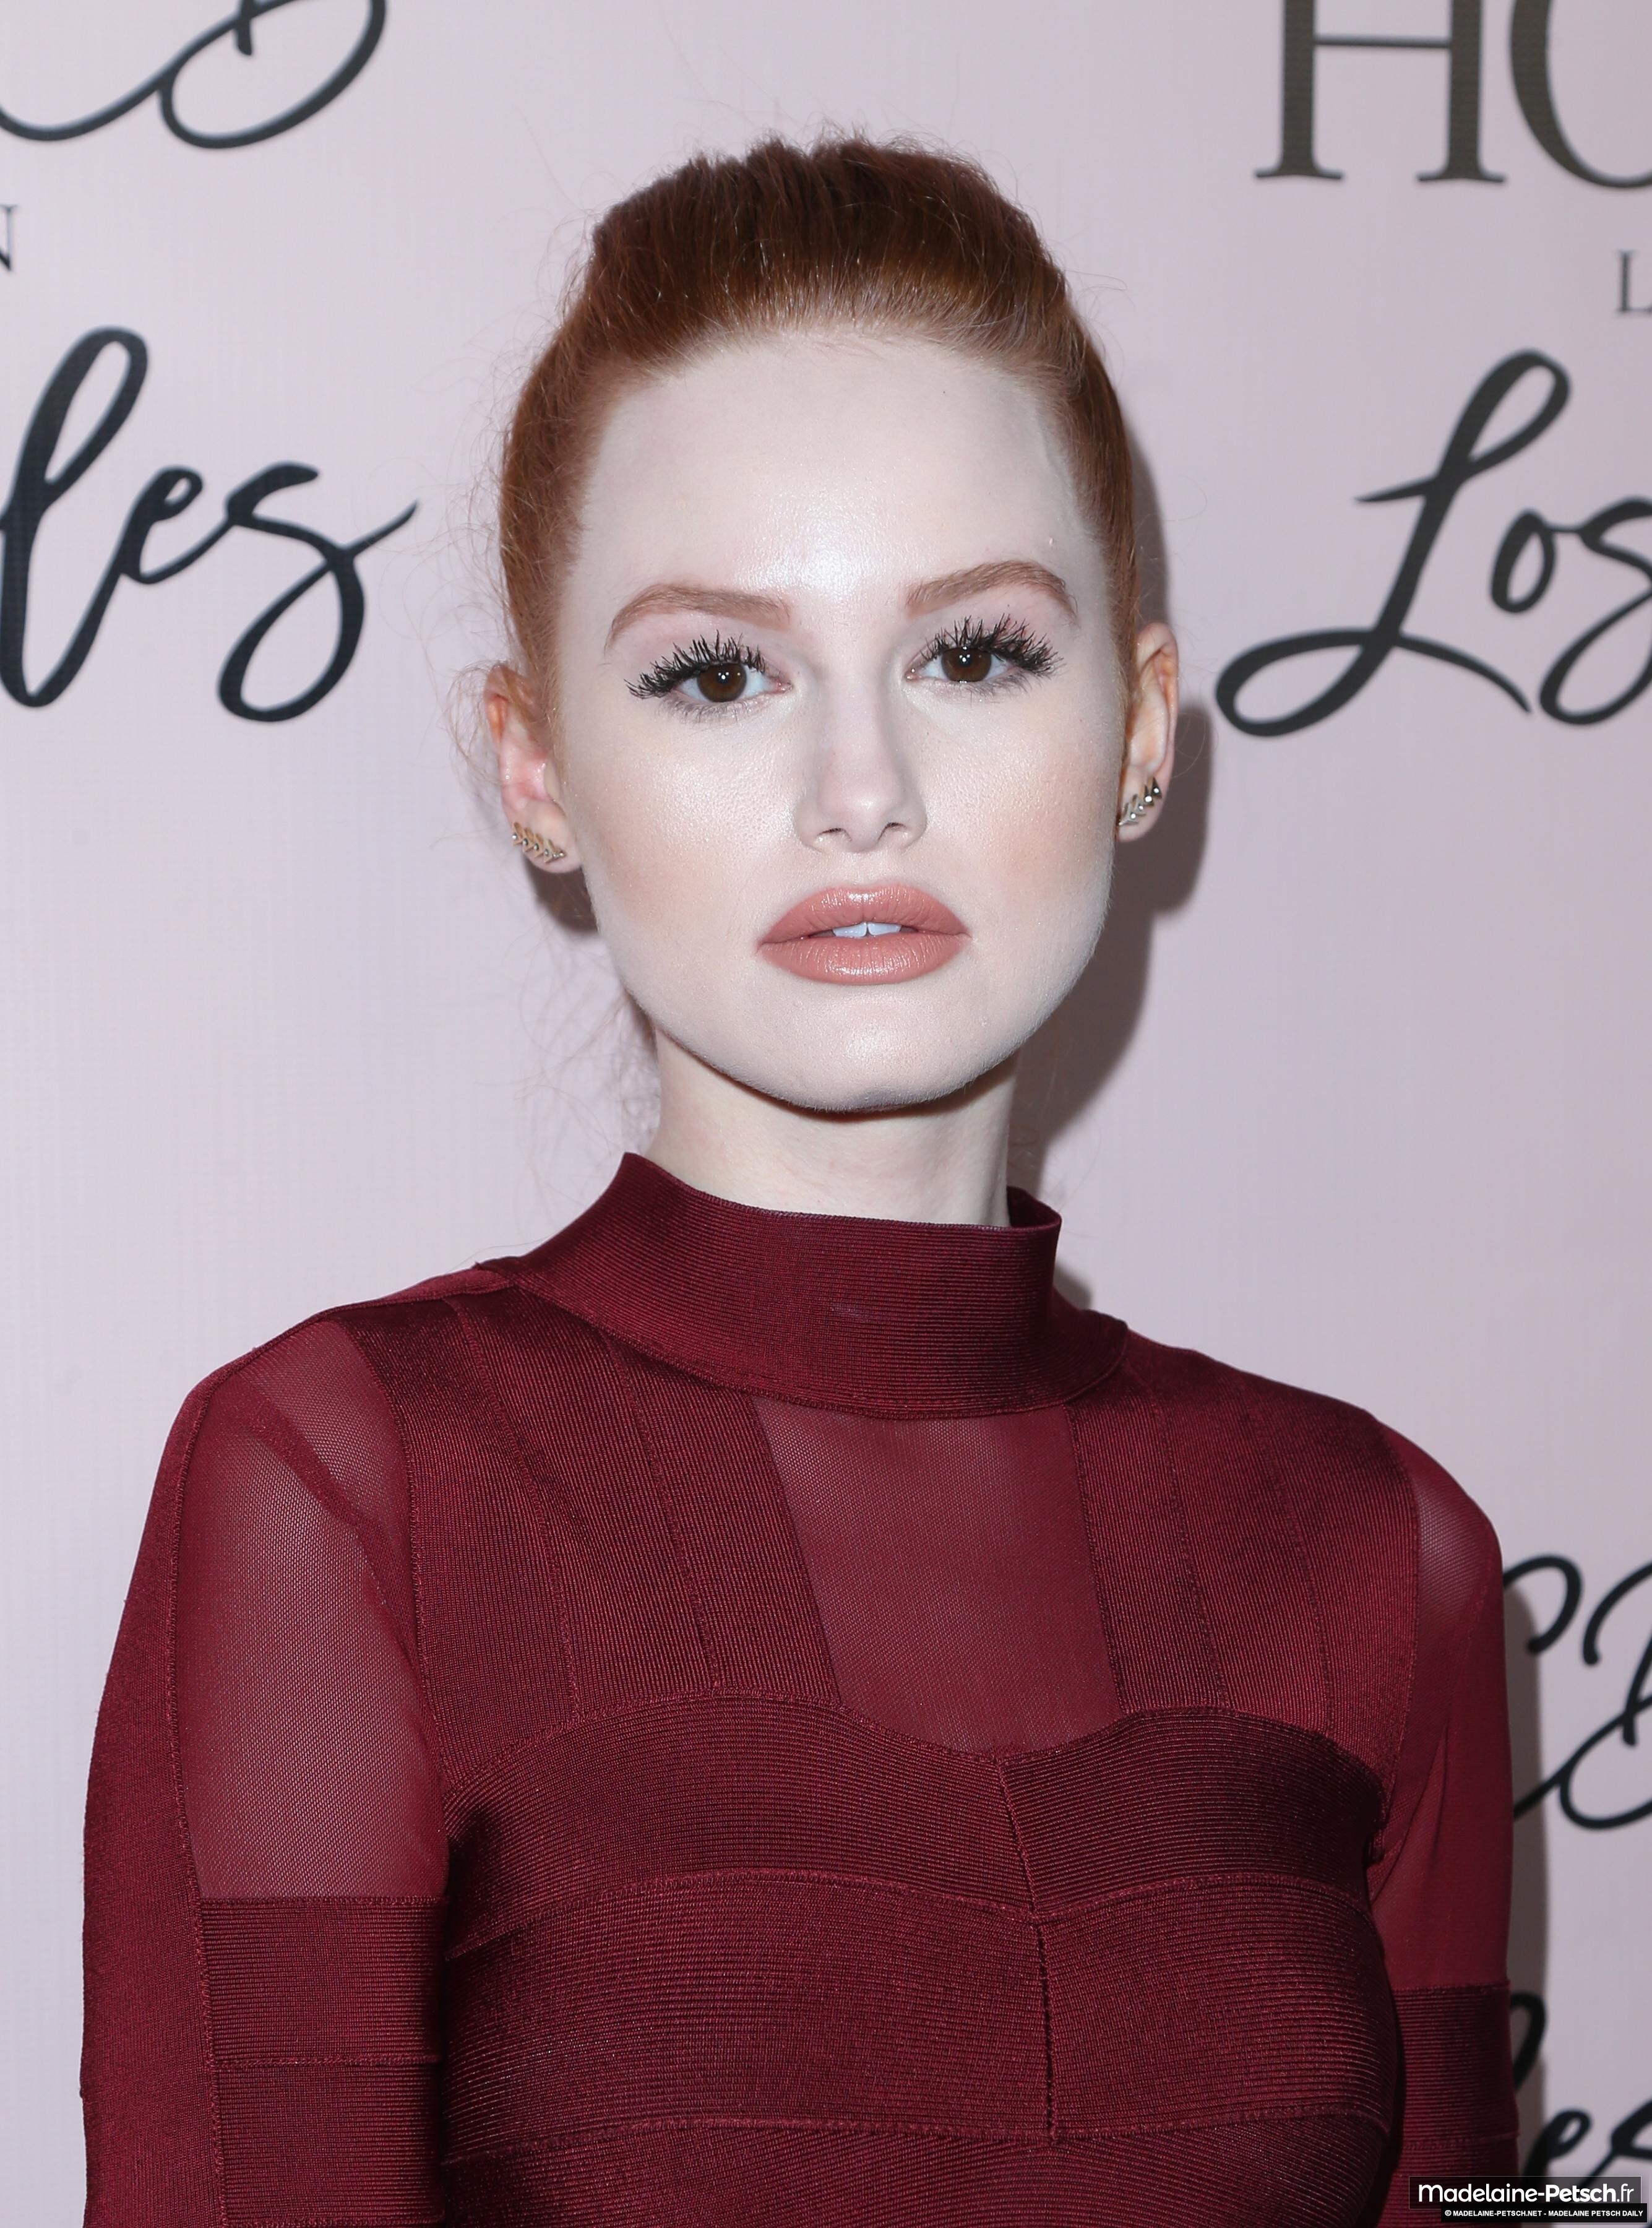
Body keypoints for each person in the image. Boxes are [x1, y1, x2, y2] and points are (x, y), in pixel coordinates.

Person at [80, 134, 1517, 2227]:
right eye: (716, 673)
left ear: (1141, 731)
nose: (862, 789)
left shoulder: (1385, 1556)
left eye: (976, 654)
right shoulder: (349, 1488)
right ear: (538, 770)